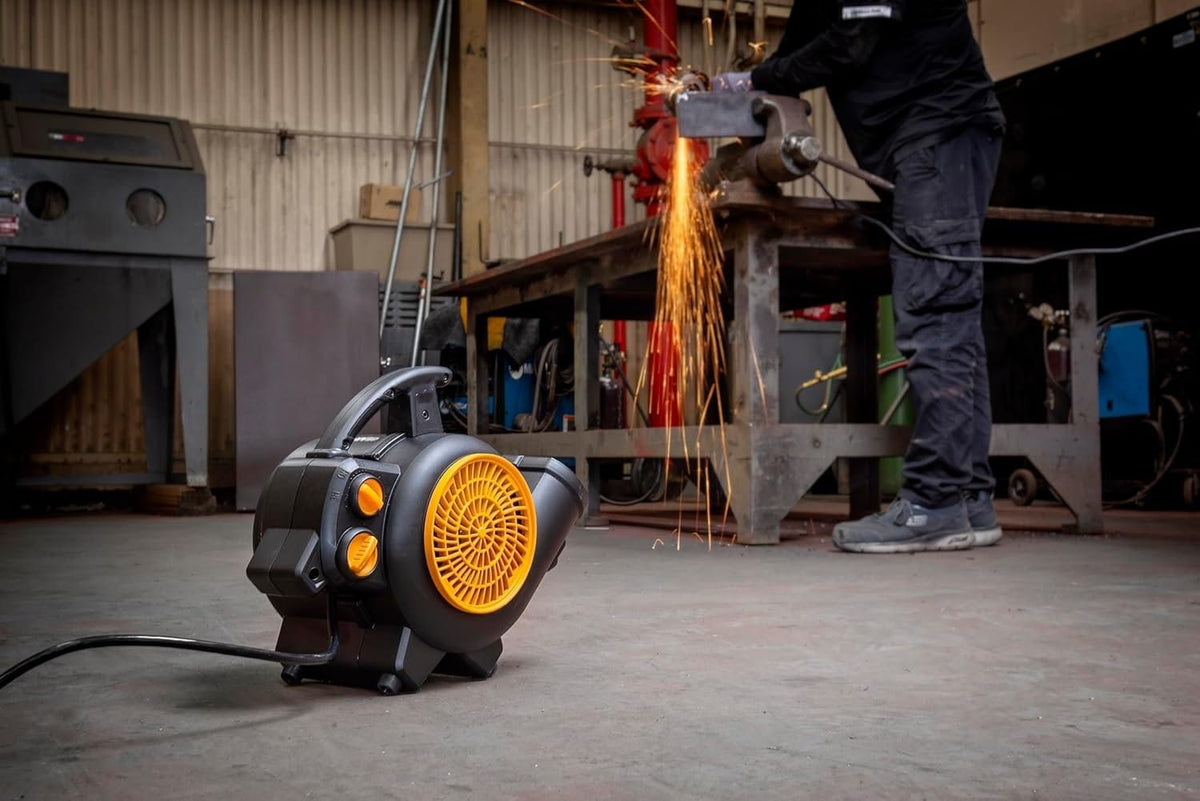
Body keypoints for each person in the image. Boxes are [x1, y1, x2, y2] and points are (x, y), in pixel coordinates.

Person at [712, 0, 1006, 553]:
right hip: (923, 140)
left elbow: (850, 43)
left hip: (938, 132)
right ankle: (966, 498)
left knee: (936, 313)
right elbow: (800, 49)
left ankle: (934, 502)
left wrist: (757, 78)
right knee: (953, 319)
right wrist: (757, 84)